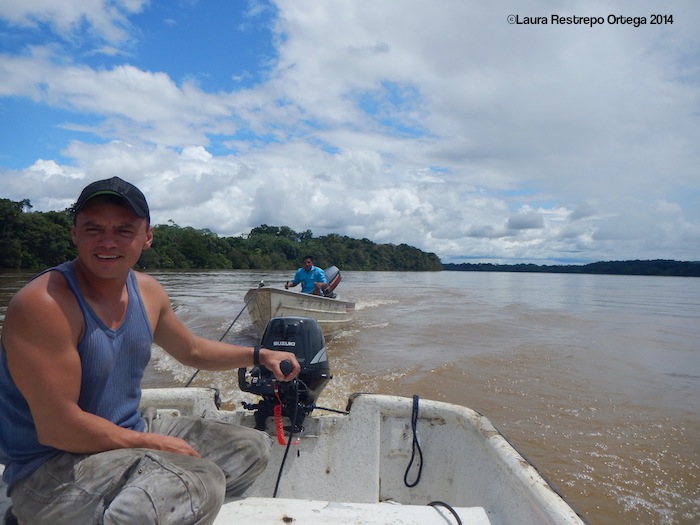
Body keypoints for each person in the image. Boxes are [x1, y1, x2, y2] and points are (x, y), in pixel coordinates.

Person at [0, 176, 300, 525]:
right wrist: (154, 444)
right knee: (200, 480)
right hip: (49, 468)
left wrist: (261, 355)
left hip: (126, 428)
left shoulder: (148, 292)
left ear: (147, 237)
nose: (107, 241)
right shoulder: (45, 304)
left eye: (124, 230)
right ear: (75, 234)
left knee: (249, 450)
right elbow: (58, 429)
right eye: (94, 228)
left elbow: (192, 350)